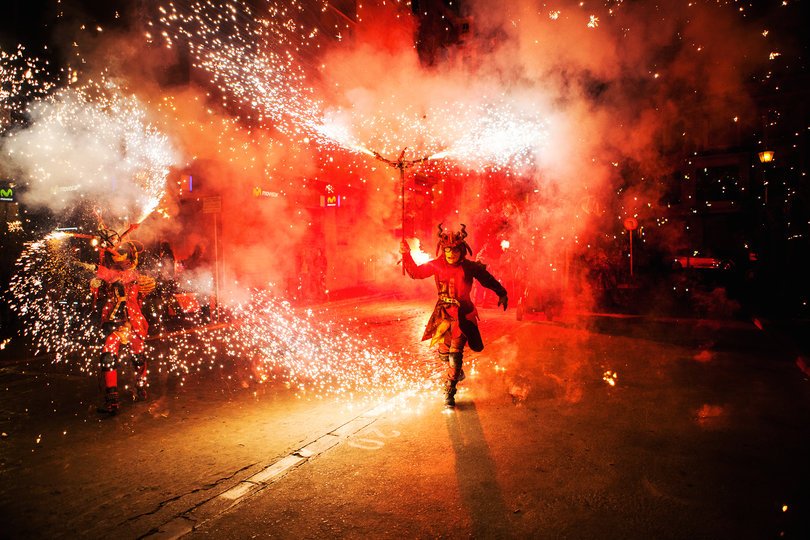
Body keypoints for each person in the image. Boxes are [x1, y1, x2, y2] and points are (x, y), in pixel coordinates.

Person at [400, 223, 508, 408]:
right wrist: (406, 254)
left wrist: (502, 293)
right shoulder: (436, 264)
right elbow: (416, 273)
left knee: (455, 355)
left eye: (455, 250)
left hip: (463, 314)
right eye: (448, 250)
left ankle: (450, 390)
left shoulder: (470, 267)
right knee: (443, 354)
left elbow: (487, 279)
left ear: (462, 250)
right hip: (443, 314)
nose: (451, 254)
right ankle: (457, 372)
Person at [90, 239, 155, 414]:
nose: (121, 260)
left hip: (133, 321)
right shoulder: (111, 273)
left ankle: (141, 386)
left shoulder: (133, 275)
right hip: (114, 322)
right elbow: (101, 284)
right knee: (108, 356)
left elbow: (117, 277)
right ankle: (113, 400)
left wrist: (99, 272)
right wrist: (95, 282)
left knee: (138, 357)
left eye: (125, 257)